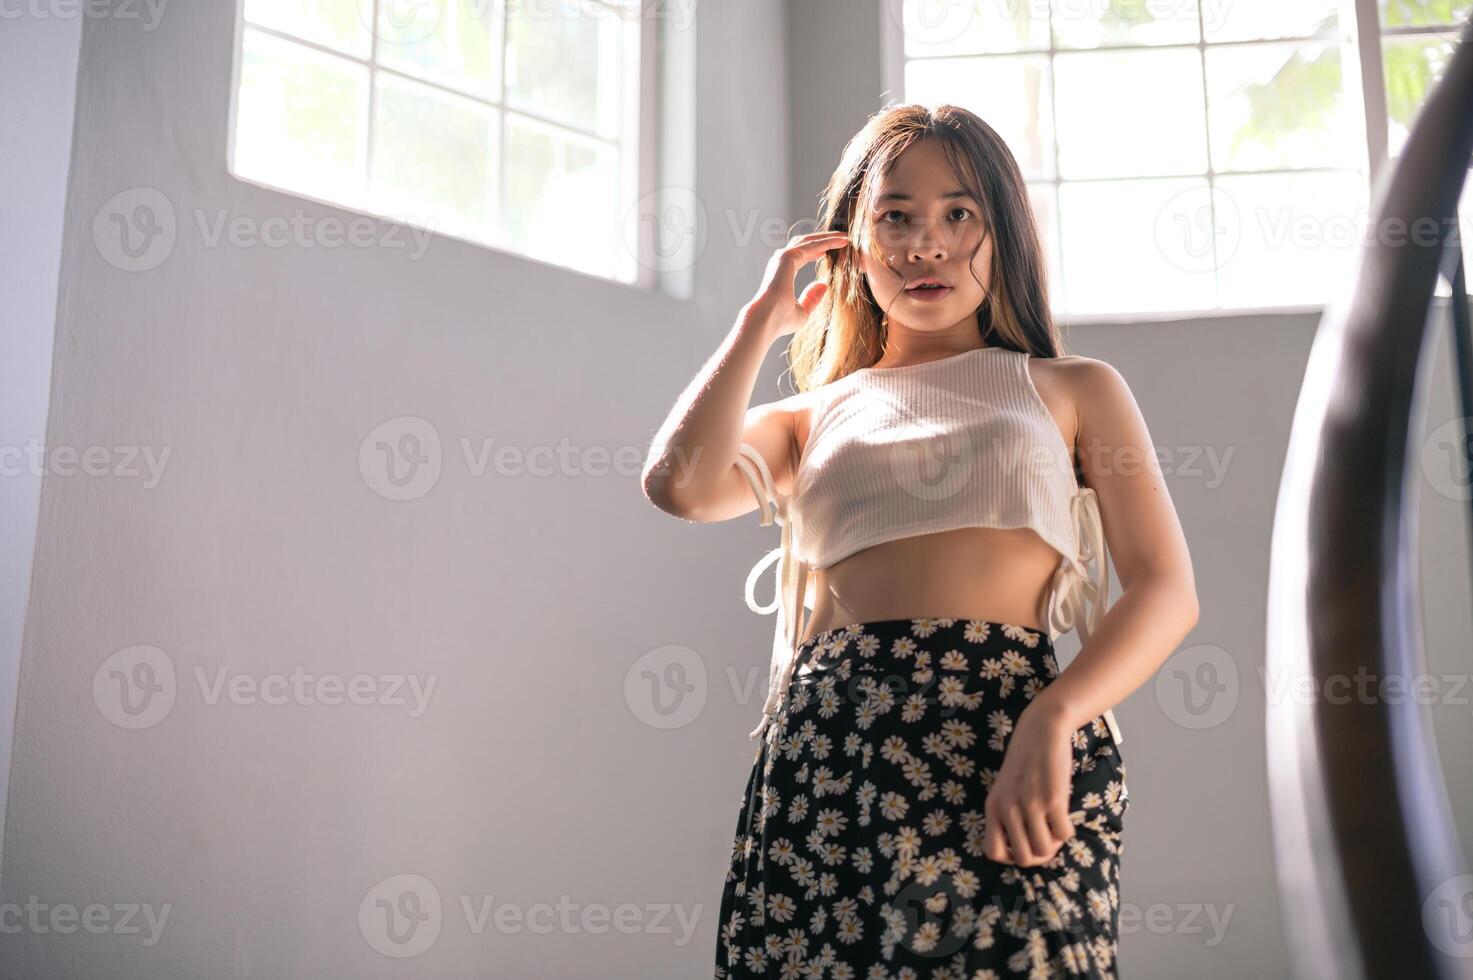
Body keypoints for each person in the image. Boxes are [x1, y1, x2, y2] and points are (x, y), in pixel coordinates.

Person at [642, 102, 1199, 979]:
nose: (925, 244)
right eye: (894, 216)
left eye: (959, 213)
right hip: (832, 749)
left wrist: (1054, 717)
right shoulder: (812, 415)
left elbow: (1165, 589)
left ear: (1001, 232)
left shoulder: (1072, 389)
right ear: (851, 244)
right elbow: (677, 482)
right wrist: (760, 323)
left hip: (1007, 733)